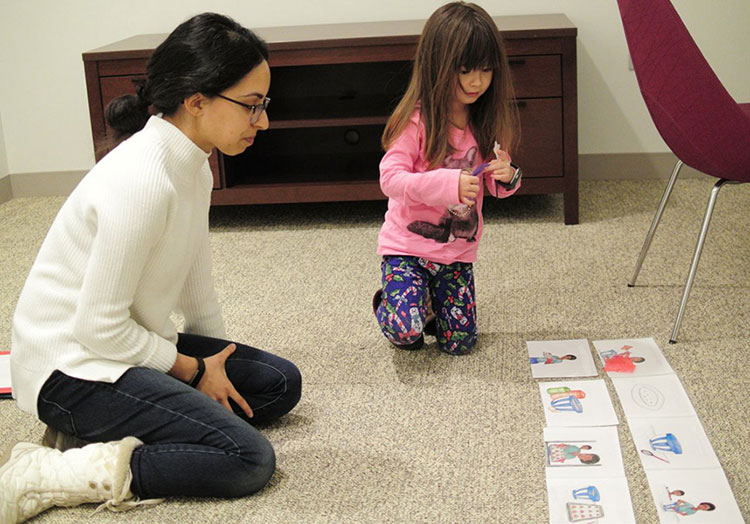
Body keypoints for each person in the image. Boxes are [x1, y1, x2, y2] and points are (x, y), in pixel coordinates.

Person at [1, 13, 301, 524]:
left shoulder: (191, 165)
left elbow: (195, 283)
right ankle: (48, 473)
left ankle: (125, 418)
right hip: (70, 370)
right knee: (247, 459)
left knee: (277, 383)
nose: (263, 122)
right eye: (252, 107)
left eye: (263, 106)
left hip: (127, 343)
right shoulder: (142, 181)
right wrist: (189, 370)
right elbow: (96, 327)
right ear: (197, 101)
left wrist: (216, 367)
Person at [373, 2, 521, 355]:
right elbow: (390, 179)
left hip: (456, 254)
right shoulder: (415, 120)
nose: (476, 81)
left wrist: (508, 176)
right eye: (465, 69)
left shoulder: (483, 121)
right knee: (406, 332)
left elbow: (494, 186)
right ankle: (391, 302)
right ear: (437, 66)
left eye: (486, 70)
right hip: (406, 250)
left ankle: (430, 304)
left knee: (460, 344)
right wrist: (446, 184)